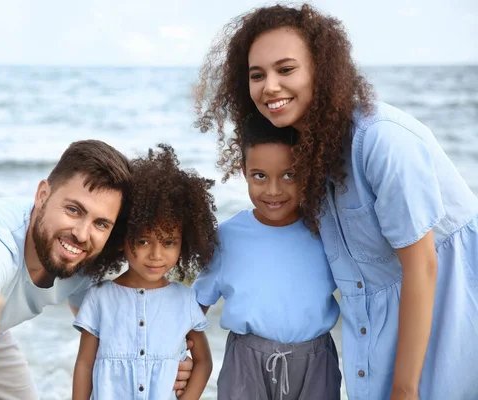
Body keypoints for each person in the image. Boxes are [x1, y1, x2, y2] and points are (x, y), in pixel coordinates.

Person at [193, 3, 478, 400]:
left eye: (286, 69)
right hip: (375, 338)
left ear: (321, 71)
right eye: (257, 75)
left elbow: (424, 267)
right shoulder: (308, 153)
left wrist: (404, 389)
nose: (269, 86)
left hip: (450, 317)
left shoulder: (381, 140)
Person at [0, 140, 193, 400]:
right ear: (43, 194)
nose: (82, 234)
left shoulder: (85, 256)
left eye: (101, 223)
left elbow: (114, 338)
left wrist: (164, 361)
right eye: (73, 210)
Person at [192, 114, 341, 400]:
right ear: (243, 170)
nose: (273, 190)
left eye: (289, 175)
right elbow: (198, 303)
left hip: (316, 362)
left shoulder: (326, 231)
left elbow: (361, 293)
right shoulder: (227, 236)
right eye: (259, 176)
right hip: (245, 363)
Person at [72, 144, 215, 400]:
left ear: (185, 243)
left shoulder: (185, 300)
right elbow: (84, 365)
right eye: (143, 241)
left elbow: (204, 362)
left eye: (169, 242)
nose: (156, 255)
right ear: (122, 238)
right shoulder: (100, 298)